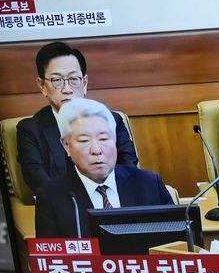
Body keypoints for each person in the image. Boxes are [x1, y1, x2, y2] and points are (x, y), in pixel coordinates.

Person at [34, 98, 173, 238]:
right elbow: (51, 256)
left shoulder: (149, 184)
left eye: (104, 139)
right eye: (84, 141)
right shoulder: (51, 196)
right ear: (66, 145)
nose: (96, 150)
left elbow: (178, 243)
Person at [17, 41, 138, 195]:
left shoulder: (112, 119)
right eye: (57, 80)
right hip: (65, 208)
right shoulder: (30, 129)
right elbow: (37, 178)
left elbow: (128, 168)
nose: (67, 89)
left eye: (73, 79)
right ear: (42, 86)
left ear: (85, 82)